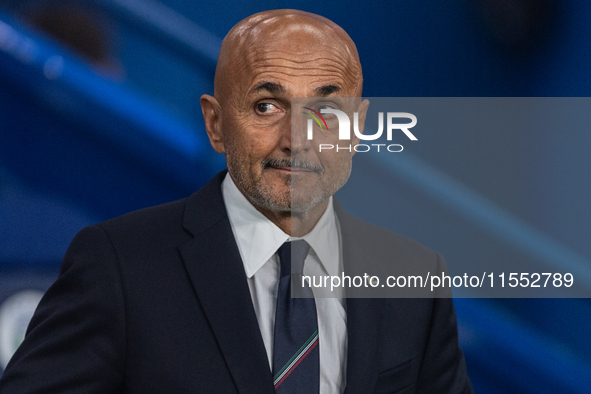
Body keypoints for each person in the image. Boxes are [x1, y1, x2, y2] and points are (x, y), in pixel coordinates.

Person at [0, 9, 473, 393]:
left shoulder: (415, 281)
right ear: (216, 123)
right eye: (267, 106)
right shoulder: (118, 263)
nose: (297, 139)